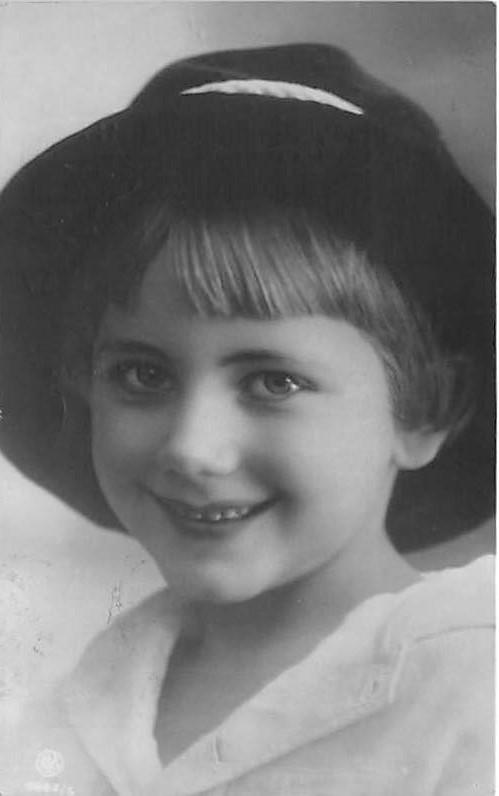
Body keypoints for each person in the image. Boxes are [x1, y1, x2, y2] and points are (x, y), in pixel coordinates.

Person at [0, 43, 494, 795]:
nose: (193, 448)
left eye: (273, 381)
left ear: (425, 407)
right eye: (142, 374)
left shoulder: (469, 694)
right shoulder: (73, 705)